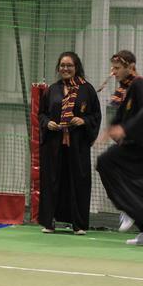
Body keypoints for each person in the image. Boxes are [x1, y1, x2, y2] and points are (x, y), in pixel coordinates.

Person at [96, 50, 143, 246]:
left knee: (106, 162)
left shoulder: (140, 84)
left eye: (117, 68)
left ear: (131, 67)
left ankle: (128, 208)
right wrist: (110, 131)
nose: (113, 72)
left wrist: (124, 129)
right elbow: (121, 115)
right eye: (112, 68)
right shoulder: (128, 90)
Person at [38, 52, 101, 235]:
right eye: (62, 65)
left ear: (76, 67)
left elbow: (96, 115)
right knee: (52, 180)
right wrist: (47, 123)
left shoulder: (87, 89)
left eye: (69, 65)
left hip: (78, 145)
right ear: (58, 68)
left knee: (78, 181)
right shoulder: (52, 90)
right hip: (54, 145)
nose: (65, 69)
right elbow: (41, 113)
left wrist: (84, 121)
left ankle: (78, 224)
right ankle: (49, 222)